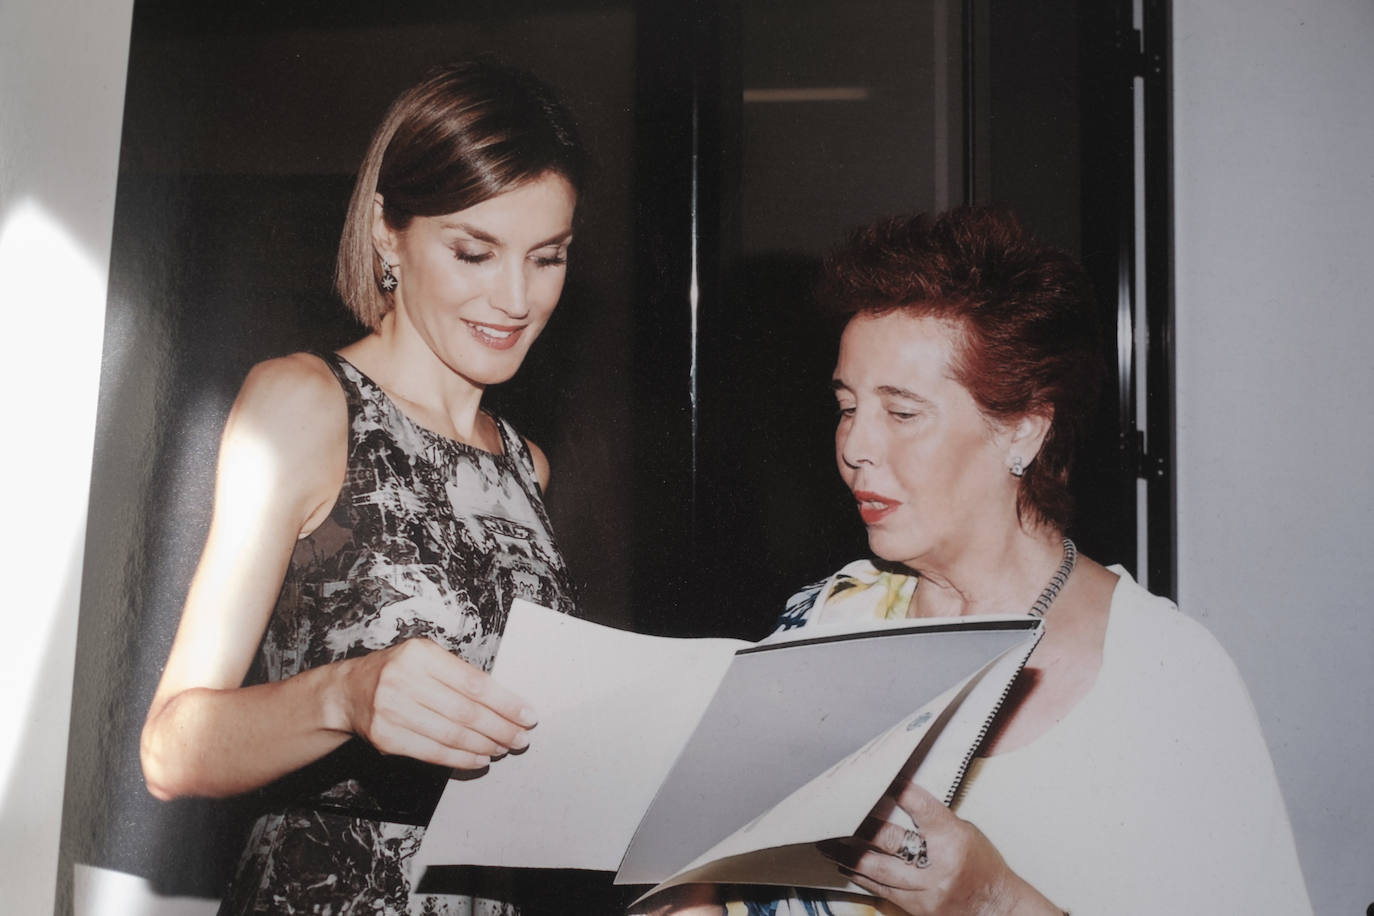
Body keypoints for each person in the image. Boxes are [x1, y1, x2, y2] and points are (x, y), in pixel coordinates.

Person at [656, 207, 1312, 915]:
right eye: (847, 406)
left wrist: (992, 900)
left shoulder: (1167, 674)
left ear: (1023, 432)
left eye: (902, 413)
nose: (855, 447)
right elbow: (696, 872)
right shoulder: (824, 621)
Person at [139, 60, 586, 915]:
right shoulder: (305, 404)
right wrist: (346, 695)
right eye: (474, 251)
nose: (517, 298)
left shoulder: (527, 465)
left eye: (549, 256)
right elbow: (170, 749)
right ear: (389, 231)